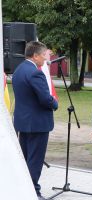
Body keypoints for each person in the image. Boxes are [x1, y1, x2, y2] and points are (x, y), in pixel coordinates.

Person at [12, 41, 58, 200]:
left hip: (23, 123)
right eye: (44, 55)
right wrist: (55, 103)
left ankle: (23, 189)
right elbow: (45, 99)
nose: (45, 59)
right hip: (37, 124)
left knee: (25, 159)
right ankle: (33, 192)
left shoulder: (18, 70)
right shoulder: (35, 72)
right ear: (35, 55)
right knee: (35, 160)